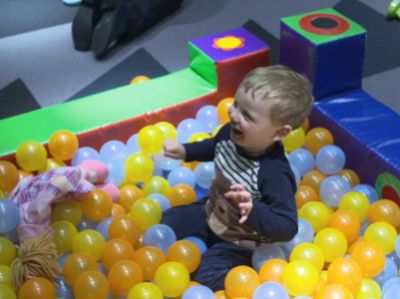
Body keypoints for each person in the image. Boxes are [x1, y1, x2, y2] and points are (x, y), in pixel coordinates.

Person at [162, 65, 314, 291]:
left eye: (247, 116)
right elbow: (214, 147)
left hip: (242, 242)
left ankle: (253, 278)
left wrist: (253, 210)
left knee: (205, 278)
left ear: (279, 133)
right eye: (236, 105)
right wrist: (186, 151)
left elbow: (287, 226)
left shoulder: (273, 173)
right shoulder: (229, 133)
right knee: (166, 222)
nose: (233, 115)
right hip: (213, 211)